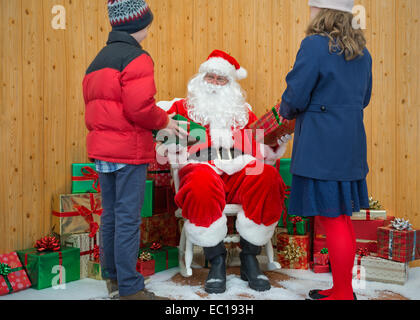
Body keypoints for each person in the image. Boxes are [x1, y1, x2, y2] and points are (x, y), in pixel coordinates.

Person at [159, 50, 292, 294]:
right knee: (199, 183)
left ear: (230, 84)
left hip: (239, 169)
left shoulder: (242, 113)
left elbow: (260, 145)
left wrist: (275, 141)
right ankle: (216, 259)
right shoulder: (182, 108)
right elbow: (162, 135)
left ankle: (250, 257)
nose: (214, 84)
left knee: (268, 176)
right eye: (211, 77)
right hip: (202, 166)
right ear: (201, 79)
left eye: (221, 80)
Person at [82, 0, 185, 300]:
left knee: (112, 215)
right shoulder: (137, 58)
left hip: (103, 151)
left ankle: (113, 279)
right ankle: (130, 288)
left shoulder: (97, 61)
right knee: (128, 217)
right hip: (127, 151)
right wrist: (163, 121)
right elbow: (139, 107)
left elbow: (103, 108)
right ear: (140, 24)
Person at [279, 0, 372, 300]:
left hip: (322, 145)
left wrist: (286, 110)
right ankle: (342, 288)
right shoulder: (363, 53)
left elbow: (296, 94)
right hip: (350, 143)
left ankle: (343, 293)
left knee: (333, 219)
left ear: (323, 12)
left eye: (313, 7)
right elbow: (365, 97)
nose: (310, 13)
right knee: (341, 218)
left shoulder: (315, 46)